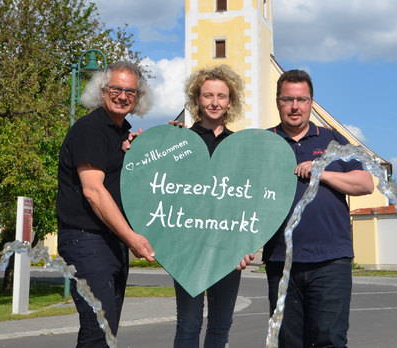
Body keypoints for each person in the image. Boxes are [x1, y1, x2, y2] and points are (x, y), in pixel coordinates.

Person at [263, 69, 374, 348]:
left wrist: (321, 172)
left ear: (311, 102)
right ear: (278, 101)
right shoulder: (263, 143)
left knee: (330, 341)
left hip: (331, 261)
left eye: (301, 99)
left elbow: (365, 184)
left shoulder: (333, 140)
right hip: (281, 262)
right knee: (288, 343)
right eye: (288, 99)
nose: (295, 106)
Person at [56, 60, 156, 348]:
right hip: (87, 241)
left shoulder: (121, 133)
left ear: (138, 98)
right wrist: (133, 239)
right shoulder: (91, 129)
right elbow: (94, 192)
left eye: (130, 92)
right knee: (98, 333)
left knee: (106, 332)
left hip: (109, 243)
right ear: (102, 91)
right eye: (115, 88)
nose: (122, 96)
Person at [173, 65, 254, 348]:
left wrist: (248, 244)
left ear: (230, 101)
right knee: (188, 325)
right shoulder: (181, 141)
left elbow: (249, 201)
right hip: (187, 249)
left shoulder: (240, 146)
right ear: (197, 99)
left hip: (227, 249)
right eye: (208, 95)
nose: (215, 102)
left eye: (221, 96)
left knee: (220, 327)